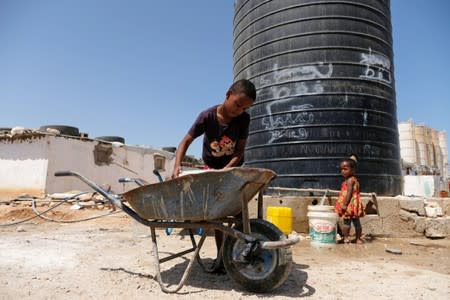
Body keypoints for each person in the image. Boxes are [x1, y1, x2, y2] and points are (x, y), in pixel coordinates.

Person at [172, 79, 256, 272]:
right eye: (237, 104)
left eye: (244, 108)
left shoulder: (243, 119)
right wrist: (177, 165)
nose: (239, 110)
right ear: (228, 95)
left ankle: (243, 252)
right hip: (211, 169)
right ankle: (221, 258)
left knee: (238, 213)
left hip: (232, 169)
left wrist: (226, 169)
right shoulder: (207, 116)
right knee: (217, 215)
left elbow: (239, 152)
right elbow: (185, 141)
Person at [335, 154, 365, 244]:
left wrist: (344, 204)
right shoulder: (354, 179)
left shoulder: (349, 181)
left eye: (345, 169)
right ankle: (358, 239)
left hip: (348, 205)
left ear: (353, 170)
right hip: (354, 205)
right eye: (341, 169)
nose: (342, 171)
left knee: (346, 223)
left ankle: (346, 238)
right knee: (357, 222)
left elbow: (349, 193)